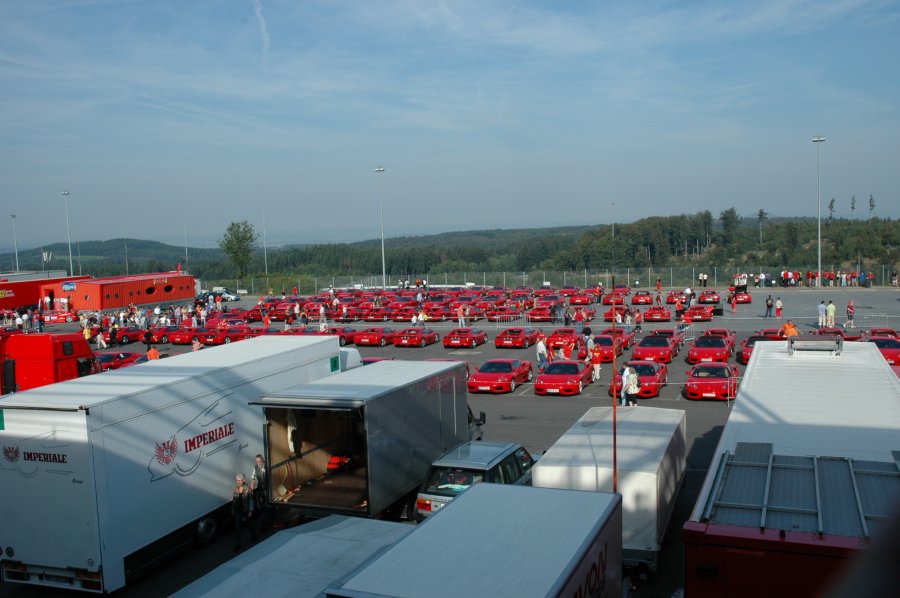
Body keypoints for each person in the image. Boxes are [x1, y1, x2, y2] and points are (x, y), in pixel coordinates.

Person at [231, 473, 257, 551]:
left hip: (245, 509)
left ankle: (254, 536)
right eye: (237, 480)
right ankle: (237, 545)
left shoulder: (248, 489)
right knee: (237, 527)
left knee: (250, 523)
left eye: (240, 480)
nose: (238, 482)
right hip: (237, 510)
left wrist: (251, 510)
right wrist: (233, 509)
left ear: (243, 480)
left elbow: (251, 500)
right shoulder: (236, 488)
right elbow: (234, 500)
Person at [250, 454, 270, 535]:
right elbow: (253, 479)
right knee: (262, 507)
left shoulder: (267, 466)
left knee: (267, 507)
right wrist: (251, 489)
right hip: (261, 489)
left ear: (263, 460)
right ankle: (263, 525)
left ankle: (263, 527)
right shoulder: (255, 468)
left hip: (268, 489)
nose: (259, 463)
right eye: (257, 462)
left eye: (260, 461)